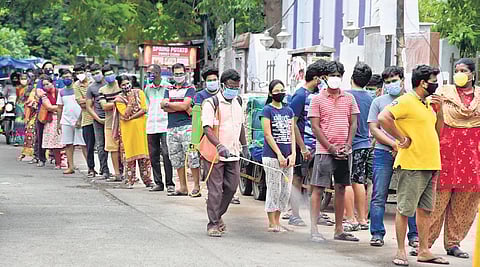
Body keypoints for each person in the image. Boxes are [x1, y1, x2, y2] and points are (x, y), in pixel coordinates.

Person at [378, 64, 449, 265]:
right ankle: (400, 251)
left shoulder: (426, 103)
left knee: (426, 210)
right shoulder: (406, 100)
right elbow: (384, 117)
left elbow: (438, 133)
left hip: (430, 163)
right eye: (433, 81)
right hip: (412, 163)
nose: (436, 84)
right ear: (422, 82)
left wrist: (440, 110)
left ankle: (424, 250)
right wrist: (401, 138)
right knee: (405, 208)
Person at [428, 58, 480, 259]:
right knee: (436, 201)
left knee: (464, 203)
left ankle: (453, 243)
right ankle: (425, 243)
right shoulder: (443, 94)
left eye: (464, 70)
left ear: (472, 74)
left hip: (472, 156)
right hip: (445, 153)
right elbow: (431, 119)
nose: (460, 74)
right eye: (457, 70)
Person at [308, 60, 360, 242]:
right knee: (318, 189)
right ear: (324, 78)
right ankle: (314, 229)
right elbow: (315, 127)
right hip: (324, 151)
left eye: (338, 75)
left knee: (341, 188)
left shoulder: (349, 99)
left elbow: (353, 123)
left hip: (345, 151)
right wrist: (330, 147)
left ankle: (339, 229)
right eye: (332, 76)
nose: (335, 79)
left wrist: (348, 144)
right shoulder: (317, 99)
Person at [368, 66, 418, 248]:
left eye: (394, 80)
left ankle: (414, 235)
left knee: (410, 195)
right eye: (387, 82)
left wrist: (403, 145)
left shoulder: (412, 100)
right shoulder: (378, 102)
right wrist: (393, 144)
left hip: (409, 152)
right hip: (383, 152)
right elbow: (374, 128)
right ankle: (377, 233)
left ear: (402, 79)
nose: (391, 85)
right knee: (379, 194)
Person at [201, 69, 249, 237]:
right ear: (223, 85)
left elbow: (240, 125)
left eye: (237, 87)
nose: (233, 90)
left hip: (233, 153)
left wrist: (245, 146)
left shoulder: (238, 102)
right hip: (214, 153)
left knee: (231, 187)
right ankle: (212, 224)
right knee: (215, 190)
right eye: (230, 86)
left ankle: (218, 214)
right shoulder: (211, 103)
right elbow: (207, 128)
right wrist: (219, 145)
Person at [286, 60, 324, 227]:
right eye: (323, 78)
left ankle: (316, 214)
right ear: (316, 78)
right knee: (298, 178)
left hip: (317, 145)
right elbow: (292, 122)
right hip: (303, 144)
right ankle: (294, 214)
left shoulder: (317, 95)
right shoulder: (300, 96)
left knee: (316, 181)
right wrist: (301, 147)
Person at [161, 63, 201, 197]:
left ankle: (196, 186)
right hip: (172, 127)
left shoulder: (190, 88)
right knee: (176, 158)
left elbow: (185, 105)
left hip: (187, 127)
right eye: (176, 74)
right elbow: (163, 106)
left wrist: (170, 104)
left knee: (192, 156)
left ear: (185, 73)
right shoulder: (168, 88)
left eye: (181, 73)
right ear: (172, 74)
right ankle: (183, 187)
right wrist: (179, 106)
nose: (179, 76)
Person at [261, 80, 295, 232]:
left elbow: (292, 133)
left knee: (285, 190)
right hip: (272, 156)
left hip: (288, 157)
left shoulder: (288, 111)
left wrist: (293, 153)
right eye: (276, 90)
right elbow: (268, 135)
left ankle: (278, 220)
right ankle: (271, 222)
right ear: (270, 93)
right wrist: (279, 154)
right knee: (274, 188)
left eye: (282, 89)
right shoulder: (267, 110)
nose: (280, 92)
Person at [344, 62, 372, 231]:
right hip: (365, 143)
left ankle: (350, 217)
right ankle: (362, 218)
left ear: (352, 78)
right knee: (359, 181)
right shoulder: (371, 98)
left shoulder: (345, 96)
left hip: (348, 145)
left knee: (346, 182)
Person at [114, 75, 153, 189]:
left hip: (141, 128)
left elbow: (144, 109)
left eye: (127, 83)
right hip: (127, 131)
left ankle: (147, 180)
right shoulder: (119, 99)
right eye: (123, 85)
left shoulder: (139, 92)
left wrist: (132, 117)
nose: (126, 86)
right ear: (120, 86)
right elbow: (124, 114)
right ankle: (130, 181)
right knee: (129, 156)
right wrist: (130, 103)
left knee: (144, 156)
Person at [144, 64, 174, 192]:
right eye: (148, 73)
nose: (149, 76)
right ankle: (158, 183)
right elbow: (147, 105)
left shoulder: (168, 86)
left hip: (165, 124)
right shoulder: (147, 88)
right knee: (153, 155)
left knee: (167, 154)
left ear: (158, 73)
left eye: (151, 73)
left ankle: (170, 183)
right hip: (151, 125)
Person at [56, 69, 87, 175]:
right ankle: (70, 166)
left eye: (69, 77)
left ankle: (90, 167)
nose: (67, 79)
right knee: (68, 144)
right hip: (66, 120)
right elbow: (59, 108)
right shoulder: (61, 91)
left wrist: (80, 119)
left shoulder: (78, 89)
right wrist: (58, 123)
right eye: (64, 77)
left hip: (80, 120)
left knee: (84, 144)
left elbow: (85, 105)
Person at [99, 64, 123, 181]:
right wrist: (119, 102)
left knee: (125, 148)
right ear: (104, 77)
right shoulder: (102, 90)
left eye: (111, 73)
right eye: (107, 75)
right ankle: (117, 173)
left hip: (125, 121)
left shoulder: (121, 85)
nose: (109, 76)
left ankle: (127, 172)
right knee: (113, 149)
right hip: (110, 123)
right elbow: (104, 106)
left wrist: (113, 103)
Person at [86, 64, 110, 180]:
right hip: (98, 120)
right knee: (101, 146)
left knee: (115, 146)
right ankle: (104, 169)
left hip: (113, 119)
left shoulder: (110, 84)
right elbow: (89, 106)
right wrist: (98, 118)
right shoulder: (91, 88)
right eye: (93, 73)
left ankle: (119, 170)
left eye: (98, 72)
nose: (96, 75)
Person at [73, 63, 96, 178]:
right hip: (87, 118)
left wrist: (88, 101)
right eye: (76, 73)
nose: (79, 75)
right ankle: (91, 168)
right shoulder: (76, 85)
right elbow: (80, 103)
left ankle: (104, 168)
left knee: (102, 145)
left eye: (80, 72)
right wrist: (91, 101)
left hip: (100, 116)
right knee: (89, 145)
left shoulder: (94, 81)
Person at [39, 75, 63, 169]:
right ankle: (58, 163)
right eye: (44, 85)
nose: (46, 87)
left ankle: (66, 162)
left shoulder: (61, 92)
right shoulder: (44, 96)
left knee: (65, 142)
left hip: (63, 118)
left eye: (47, 84)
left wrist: (58, 108)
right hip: (51, 120)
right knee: (55, 143)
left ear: (52, 83)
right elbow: (48, 107)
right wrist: (61, 107)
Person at [20, 72, 38, 160]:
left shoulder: (41, 89)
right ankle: (28, 153)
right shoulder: (29, 89)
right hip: (30, 114)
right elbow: (27, 103)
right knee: (29, 132)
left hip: (41, 114)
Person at [14, 73, 28, 148]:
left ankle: (25, 140)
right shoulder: (18, 88)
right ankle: (17, 140)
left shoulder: (30, 88)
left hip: (27, 106)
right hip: (19, 106)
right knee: (18, 123)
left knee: (26, 123)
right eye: (22, 79)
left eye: (25, 78)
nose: (23, 80)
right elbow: (17, 97)